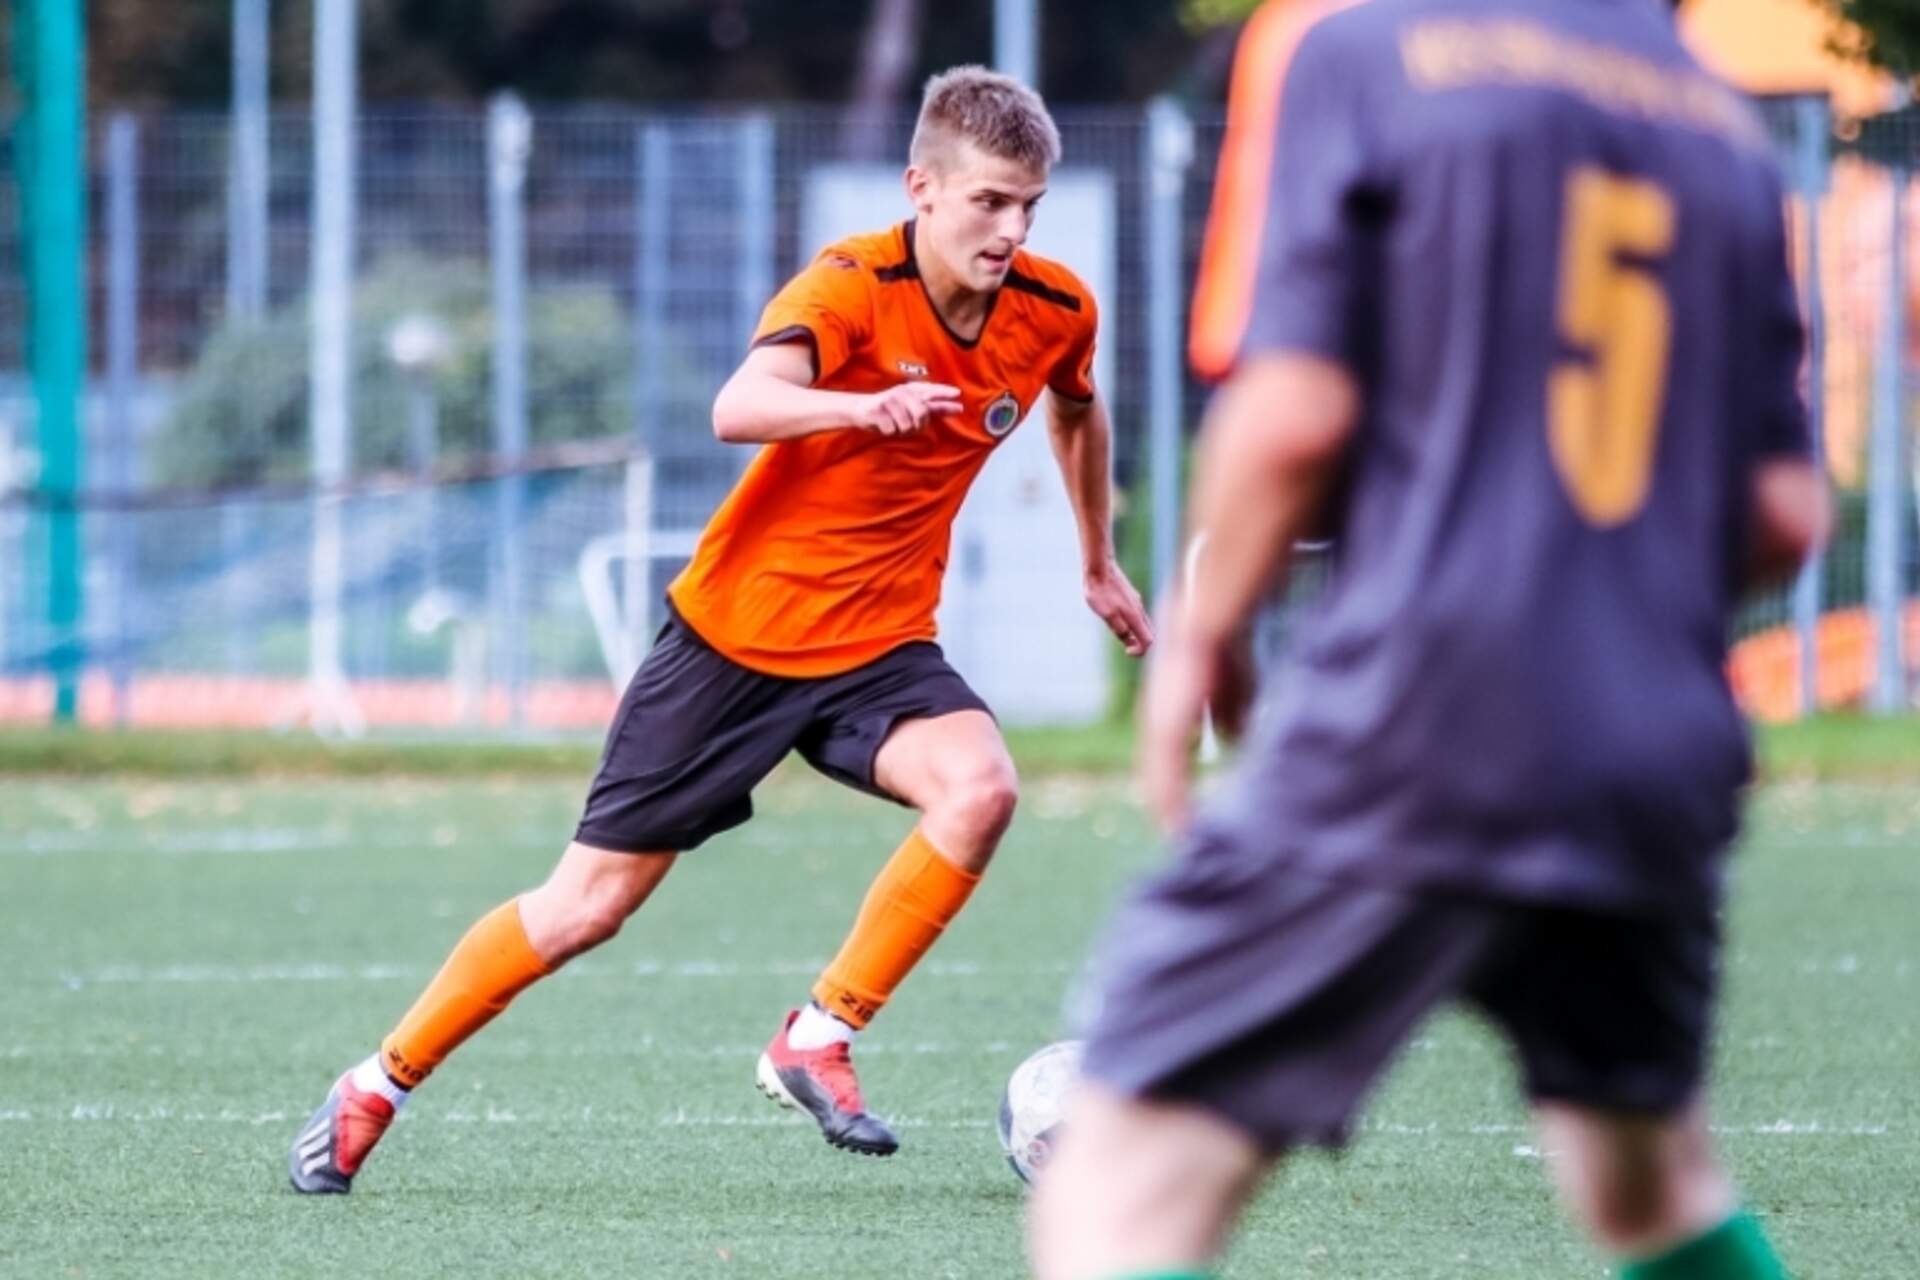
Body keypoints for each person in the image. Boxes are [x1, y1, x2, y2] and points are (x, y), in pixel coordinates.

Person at [1028, 1, 1829, 1277]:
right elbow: (1785, 515)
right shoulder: (1720, 120)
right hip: (1655, 737)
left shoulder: (1354, 46)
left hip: (1428, 705)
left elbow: (1295, 414)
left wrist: (1206, 625)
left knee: (1122, 1178)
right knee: (1647, 1179)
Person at [288, 65, 1151, 1194]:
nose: (1013, 229)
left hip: (880, 645)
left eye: (1029, 205)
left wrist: (1096, 559)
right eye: (990, 201)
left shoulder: (1054, 308)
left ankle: (817, 1035)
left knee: (981, 787)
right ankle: (375, 1084)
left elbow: (1078, 409)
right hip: (735, 644)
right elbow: (737, 405)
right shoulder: (851, 285)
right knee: (586, 906)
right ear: (923, 188)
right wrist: (860, 406)